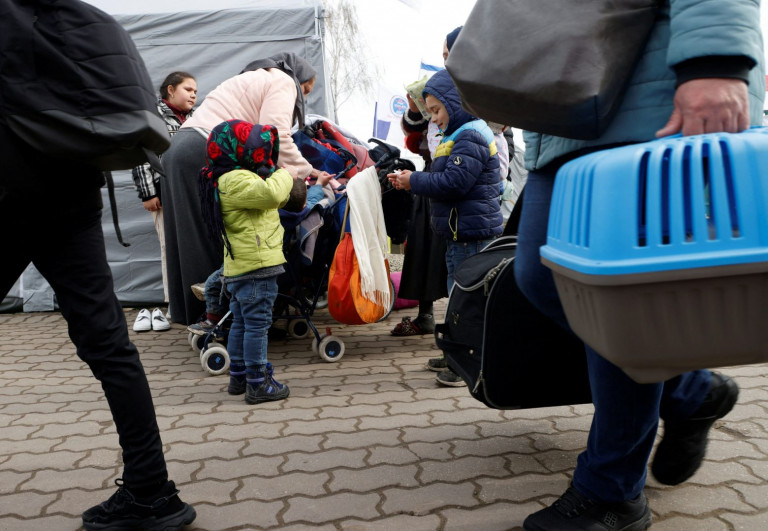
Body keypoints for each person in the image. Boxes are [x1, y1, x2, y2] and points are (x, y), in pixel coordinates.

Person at [511, 1, 765, 529]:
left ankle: (611, 492)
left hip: (654, 91)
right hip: (565, 111)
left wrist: (714, 59)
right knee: (540, 276)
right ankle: (692, 391)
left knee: (620, 293)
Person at [0, 3, 195, 529]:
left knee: (109, 345)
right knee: (110, 345)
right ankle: (153, 491)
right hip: (71, 198)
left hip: (10, 193)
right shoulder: (75, 18)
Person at [161, 52, 328, 325]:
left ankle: (198, 316)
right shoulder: (283, 81)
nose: (303, 96)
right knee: (214, 237)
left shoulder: (255, 76)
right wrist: (307, 172)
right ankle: (221, 320)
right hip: (201, 148)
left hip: (180, 147)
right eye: (305, 90)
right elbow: (276, 135)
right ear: (299, 78)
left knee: (187, 237)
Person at [388, 67, 503, 379]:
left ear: (455, 103)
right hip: (460, 232)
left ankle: (468, 363)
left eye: (437, 110)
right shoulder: (459, 135)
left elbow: (453, 182)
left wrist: (415, 180)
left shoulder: (470, 136)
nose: (434, 118)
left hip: (471, 234)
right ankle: (458, 357)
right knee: (459, 298)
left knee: (466, 301)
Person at [199, 119, 298, 404]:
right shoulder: (236, 179)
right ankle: (258, 383)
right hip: (256, 265)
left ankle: (239, 377)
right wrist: (285, 174)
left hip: (242, 265)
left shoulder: (228, 177)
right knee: (257, 324)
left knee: (242, 322)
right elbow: (271, 194)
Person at [131, 71, 197, 332]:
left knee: (195, 246)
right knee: (169, 246)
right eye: (188, 89)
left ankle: (199, 301)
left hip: (193, 194)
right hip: (164, 194)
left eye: (195, 90)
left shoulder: (197, 117)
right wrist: (148, 193)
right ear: (171, 90)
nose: (194, 94)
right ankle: (175, 305)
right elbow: (141, 155)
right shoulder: (153, 116)